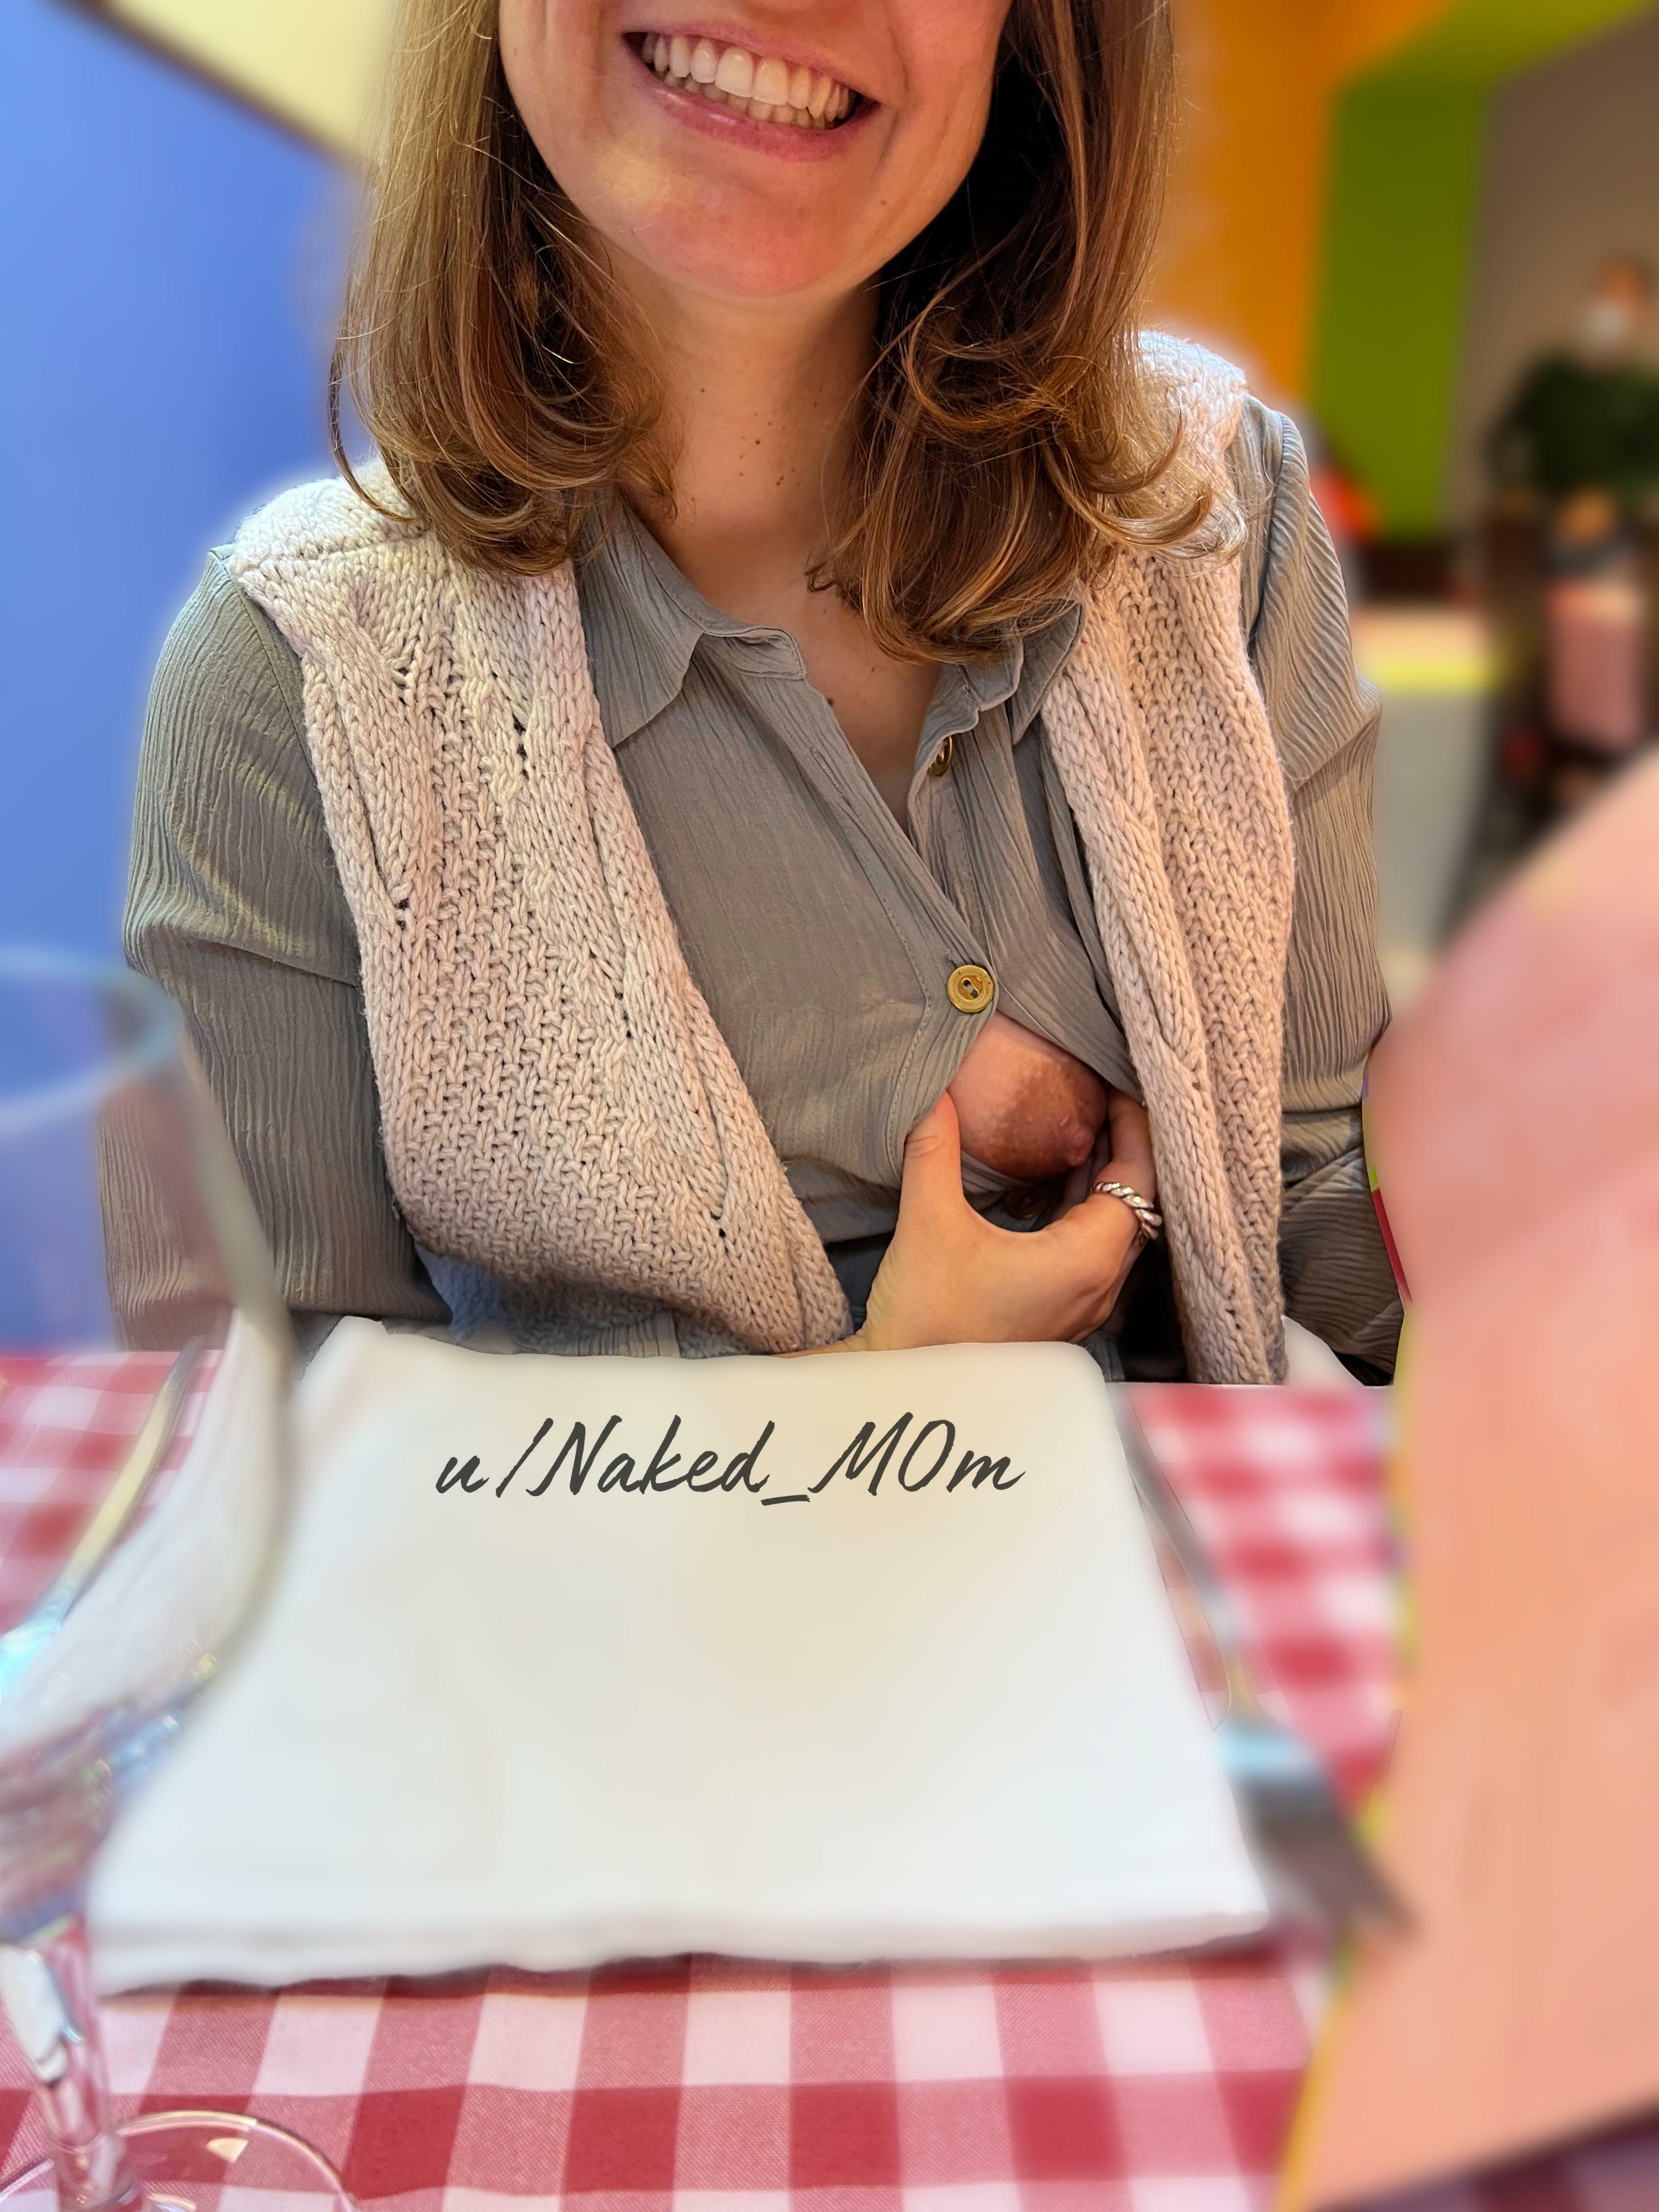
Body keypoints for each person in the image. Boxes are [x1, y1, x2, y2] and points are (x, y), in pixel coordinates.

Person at [125, 0, 1401, 1385]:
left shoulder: (1221, 518)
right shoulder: (285, 681)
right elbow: (261, 1450)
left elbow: (1326, 1218)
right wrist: (882, 1384)